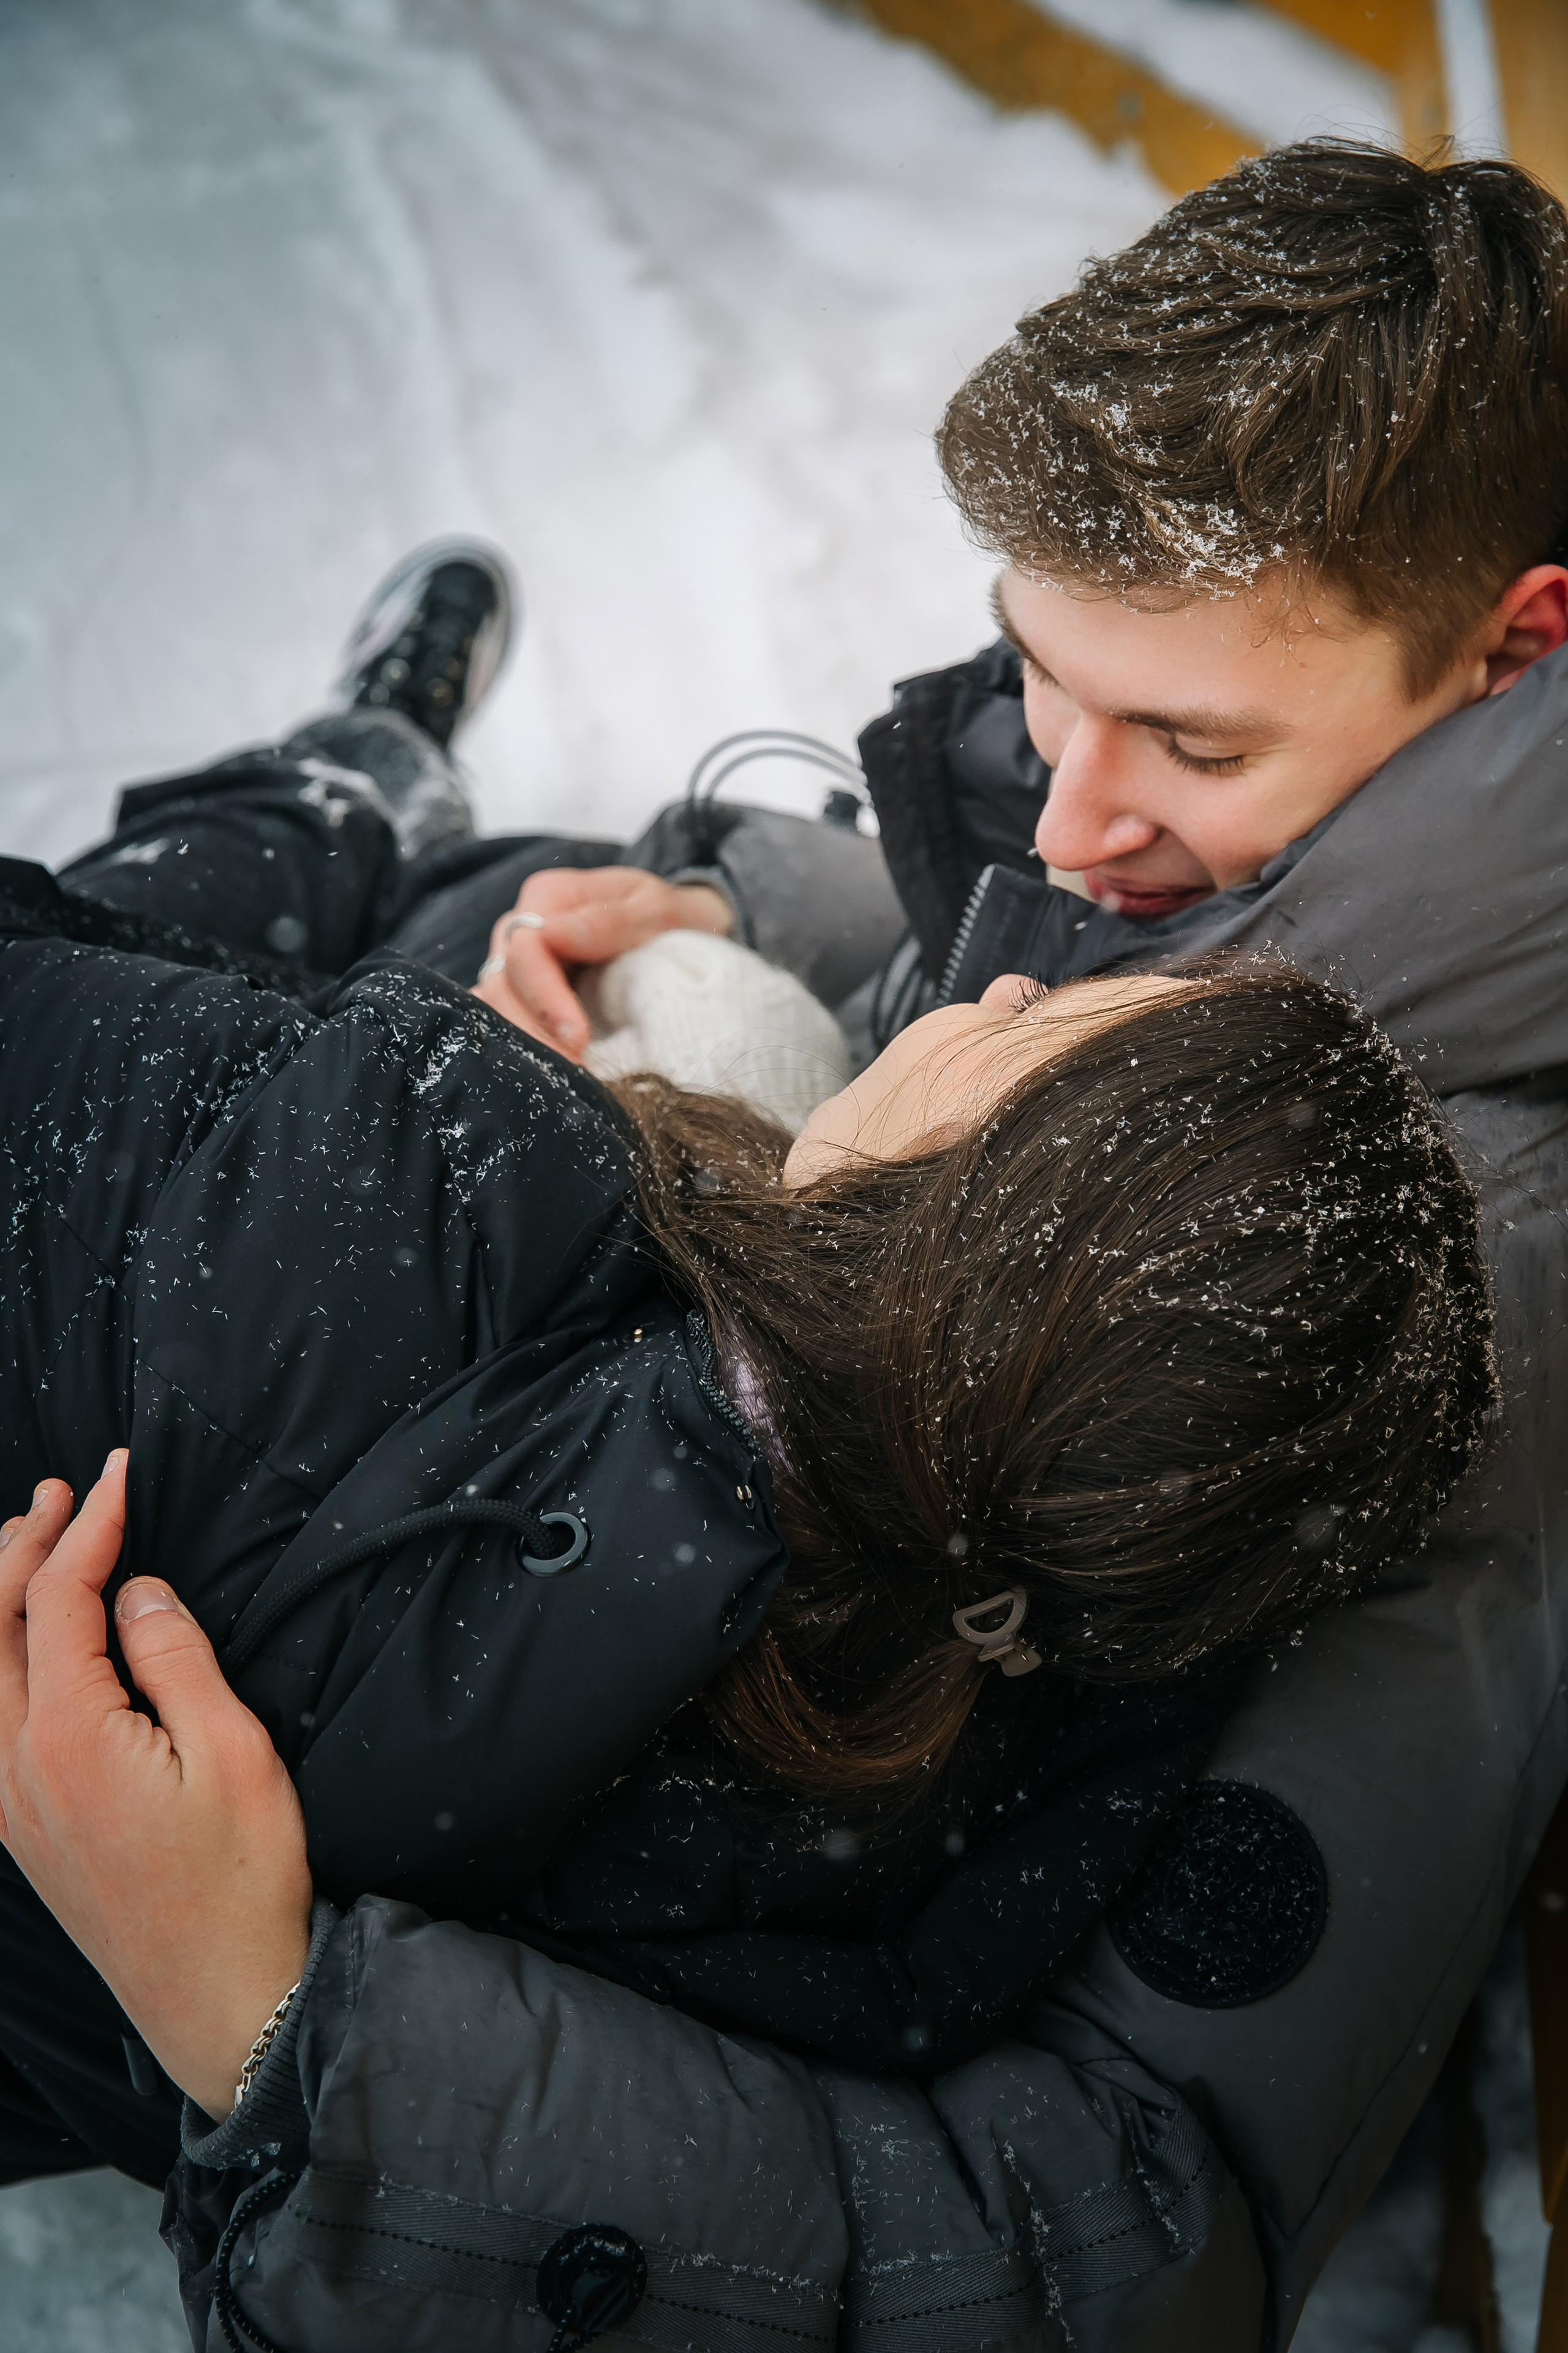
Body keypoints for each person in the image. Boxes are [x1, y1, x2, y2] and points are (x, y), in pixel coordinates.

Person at [1, 133, 1564, 2351]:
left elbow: (1132, 2224)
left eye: (1192, 742)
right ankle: (362, 798)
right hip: (628, 1475)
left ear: (1520, 647)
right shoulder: (1275, 792)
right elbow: (1098, 886)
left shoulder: (1447, 1301)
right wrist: (755, 906)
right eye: (1037, 671)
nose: (1070, 803)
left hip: (479, 1882)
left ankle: (338, 791)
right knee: (457, 958)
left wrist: (282, 2030)